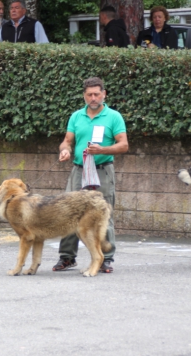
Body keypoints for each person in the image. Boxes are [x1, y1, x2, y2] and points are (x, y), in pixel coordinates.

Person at [53, 77, 128, 274]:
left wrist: (103, 149)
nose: (93, 98)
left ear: (104, 94)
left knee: (104, 213)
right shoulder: (76, 116)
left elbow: (124, 145)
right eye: (89, 95)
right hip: (79, 170)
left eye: (97, 94)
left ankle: (107, 259)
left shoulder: (114, 117)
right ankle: (67, 257)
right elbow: (67, 140)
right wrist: (65, 150)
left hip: (102, 169)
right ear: (84, 96)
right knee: (68, 213)